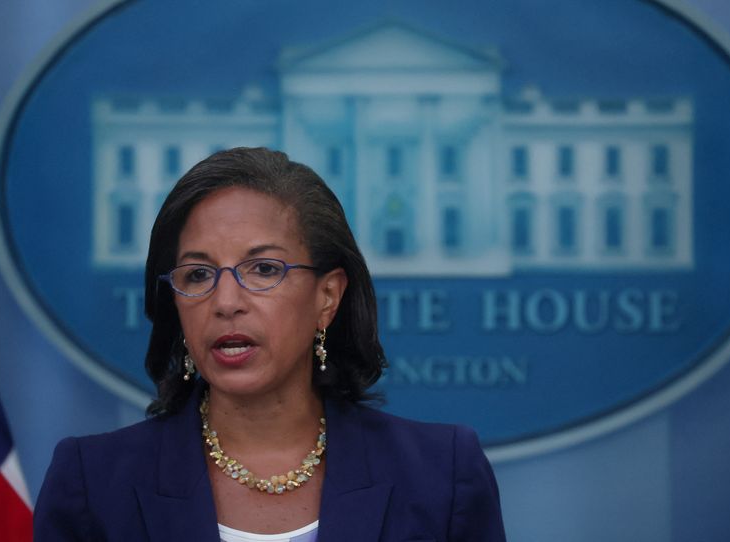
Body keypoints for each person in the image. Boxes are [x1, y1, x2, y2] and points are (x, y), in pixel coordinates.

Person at [34, 147, 507, 541]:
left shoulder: (441, 476)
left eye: (263, 269)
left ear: (327, 296)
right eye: (198, 274)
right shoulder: (92, 483)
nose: (225, 302)